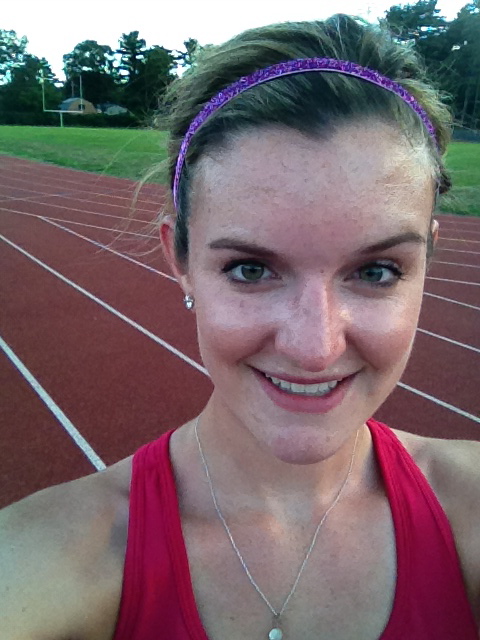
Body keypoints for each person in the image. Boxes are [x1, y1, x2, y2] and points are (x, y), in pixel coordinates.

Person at [1, 13, 479, 640]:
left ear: (428, 259)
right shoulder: (44, 562)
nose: (315, 347)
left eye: (377, 271)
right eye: (251, 269)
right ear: (180, 260)